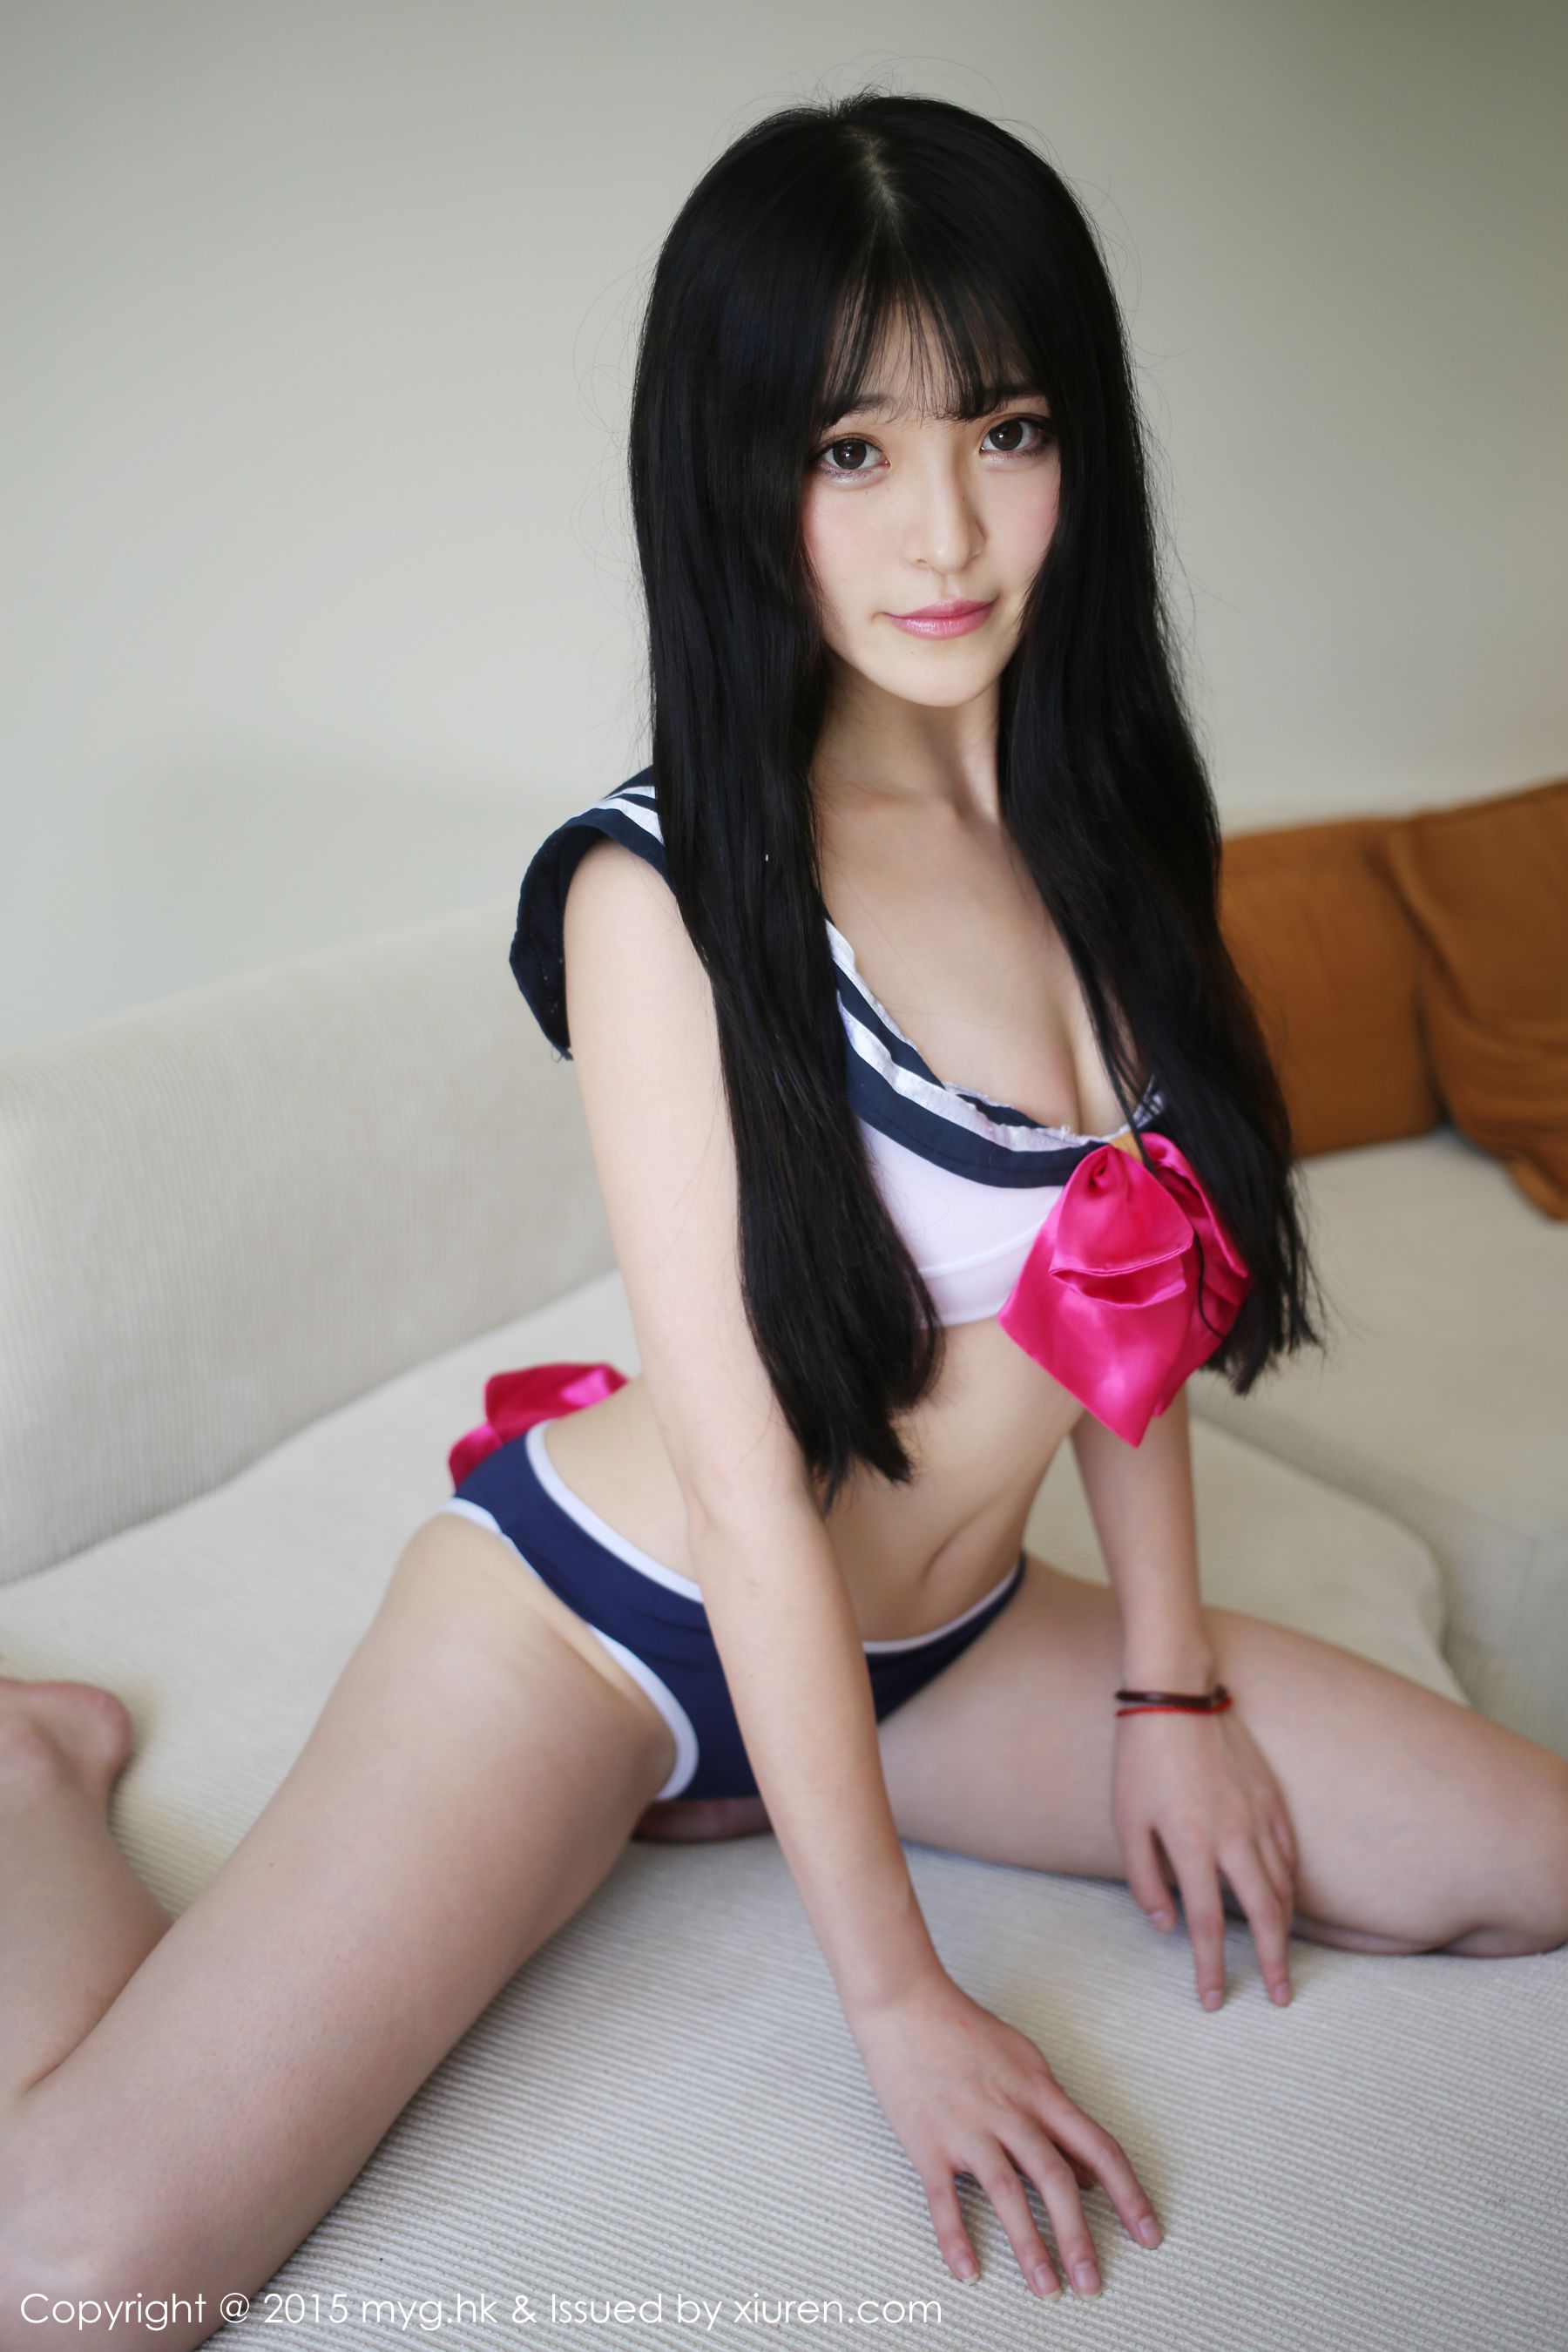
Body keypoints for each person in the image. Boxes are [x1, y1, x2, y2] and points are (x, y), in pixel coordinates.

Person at [4, 90, 1566, 2340]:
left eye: (1005, 430)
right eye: (852, 449)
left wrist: (1166, 1680)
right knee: (75, 2272)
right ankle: (27, 1773)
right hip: (614, 1621)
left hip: (940, 1648)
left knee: (1526, 1854)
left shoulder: (1109, 808)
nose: (947, 529)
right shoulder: (666, 891)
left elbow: (1125, 1289)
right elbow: (750, 1502)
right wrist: (900, 1999)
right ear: (737, 473)